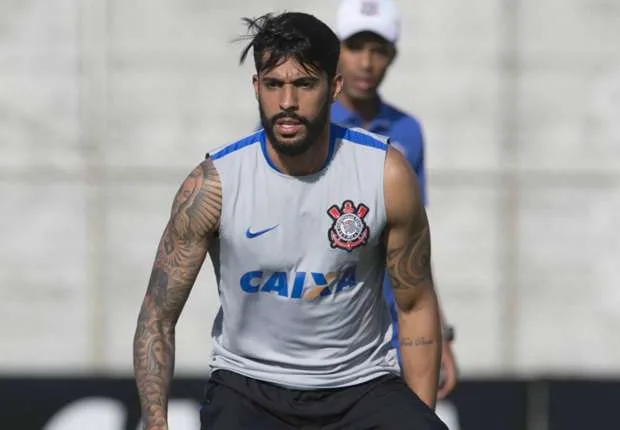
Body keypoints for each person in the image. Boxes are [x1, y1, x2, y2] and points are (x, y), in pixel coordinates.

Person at [133, 11, 447, 430]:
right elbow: (157, 317)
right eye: (274, 84)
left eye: (303, 84)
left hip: (361, 384)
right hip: (248, 387)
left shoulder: (386, 174)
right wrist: (156, 423)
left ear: (334, 87)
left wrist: (419, 416)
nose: (287, 103)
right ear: (256, 87)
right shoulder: (213, 186)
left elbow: (415, 303)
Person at [332, 0, 458, 400]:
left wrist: (440, 332)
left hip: (394, 329)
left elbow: (414, 244)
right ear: (337, 50)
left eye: (378, 49)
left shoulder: (408, 130)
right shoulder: (303, 122)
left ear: (392, 56)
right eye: (355, 47)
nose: (366, 62)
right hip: (325, 329)